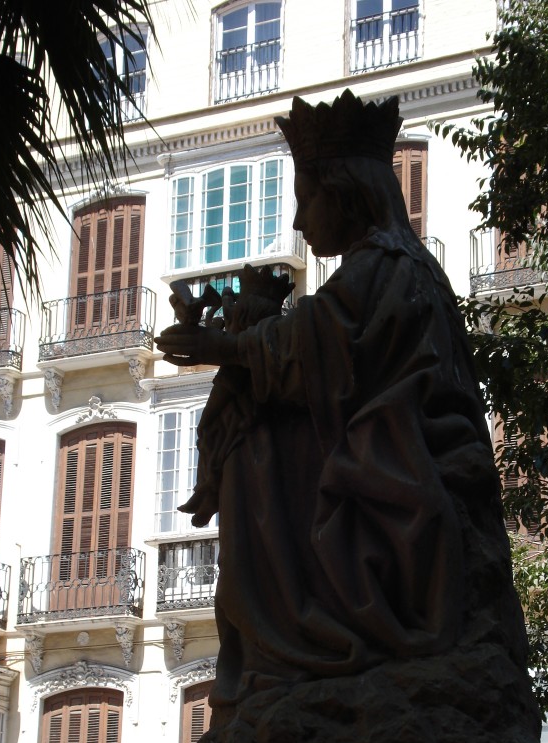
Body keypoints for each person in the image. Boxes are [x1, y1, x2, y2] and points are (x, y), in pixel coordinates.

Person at [157, 89, 527, 707]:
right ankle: (281, 637)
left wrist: (222, 347)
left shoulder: (387, 265)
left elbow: (323, 343)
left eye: (307, 200)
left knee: (255, 449)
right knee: (254, 426)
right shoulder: (394, 265)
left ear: (346, 192)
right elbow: (324, 343)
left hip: (398, 463)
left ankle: (292, 632)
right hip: (386, 449)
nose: (299, 223)